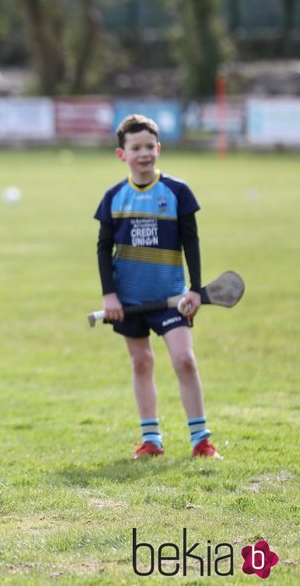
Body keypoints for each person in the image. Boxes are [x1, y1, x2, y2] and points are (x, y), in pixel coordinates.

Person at [95, 114, 221, 461]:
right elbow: (104, 248)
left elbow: (191, 242)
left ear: (159, 149)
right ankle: (151, 440)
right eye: (136, 148)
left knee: (184, 360)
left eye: (150, 146)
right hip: (129, 299)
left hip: (172, 298)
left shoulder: (178, 192)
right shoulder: (114, 197)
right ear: (122, 154)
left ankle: (201, 440)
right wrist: (110, 295)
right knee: (141, 363)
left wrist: (195, 289)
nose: (144, 153)